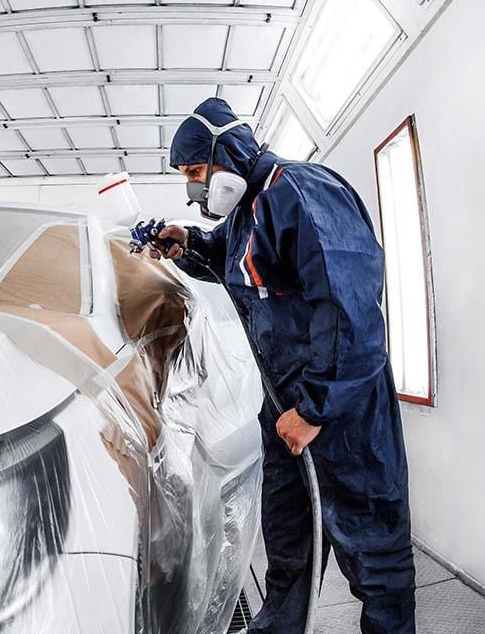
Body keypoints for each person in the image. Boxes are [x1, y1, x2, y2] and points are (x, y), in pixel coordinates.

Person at [147, 97, 416, 634]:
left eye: (197, 172)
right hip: (286, 405)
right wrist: (186, 244)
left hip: (342, 412)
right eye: (187, 178)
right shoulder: (247, 215)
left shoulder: (301, 192)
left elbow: (349, 310)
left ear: (231, 151)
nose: (195, 188)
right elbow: (226, 261)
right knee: (290, 540)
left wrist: (315, 409)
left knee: (371, 552)